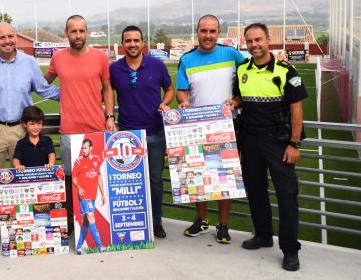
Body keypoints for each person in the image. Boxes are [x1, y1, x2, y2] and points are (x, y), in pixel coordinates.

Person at [0, 22, 59, 246]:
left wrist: (75, 94)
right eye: (2, 38)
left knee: (25, 177)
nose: (7, 41)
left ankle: (25, 222)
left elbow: (44, 88)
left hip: (22, 129)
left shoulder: (28, 62)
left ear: (15, 38)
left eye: (11, 36)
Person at [229, 23, 307, 271]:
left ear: (268, 40)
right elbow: (241, 97)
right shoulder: (242, 69)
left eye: (258, 40)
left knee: (286, 195)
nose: (254, 45)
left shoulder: (286, 70)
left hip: (278, 142)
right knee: (256, 191)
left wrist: (293, 143)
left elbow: (296, 109)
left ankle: (290, 249)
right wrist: (233, 102)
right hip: (250, 140)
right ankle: (263, 235)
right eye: (250, 41)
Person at [176, 14, 245, 244]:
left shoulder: (232, 54)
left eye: (212, 31)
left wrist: (236, 101)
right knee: (199, 177)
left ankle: (223, 225)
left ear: (219, 33)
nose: (208, 35)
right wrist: (183, 101)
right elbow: (181, 89)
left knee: (225, 178)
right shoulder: (186, 59)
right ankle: (202, 219)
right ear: (197, 32)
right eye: (204, 31)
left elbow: (248, 83)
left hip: (227, 126)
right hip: (196, 127)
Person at [44, 15, 116, 232]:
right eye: (73, 31)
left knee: (95, 175)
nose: (77, 35)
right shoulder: (58, 58)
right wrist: (61, 95)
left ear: (87, 32)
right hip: (69, 130)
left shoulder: (100, 57)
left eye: (81, 31)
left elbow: (107, 88)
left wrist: (110, 116)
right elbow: (43, 82)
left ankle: (100, 220)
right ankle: (70, 222)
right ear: (66, 33)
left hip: (96, 128)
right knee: (69, 177)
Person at [109, 25, 174, 239]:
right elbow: (107, 93)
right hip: (127, 136)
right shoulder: (115, 68)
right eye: (128, 41)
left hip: (155, 132)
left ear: (143, 43)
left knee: (155, 179)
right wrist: (109, 117)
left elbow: (170, 89)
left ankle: (156, 221)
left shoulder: (156, 65)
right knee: (129, 182)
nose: (132, 44)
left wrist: (165, 103)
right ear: (122, 44)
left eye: (136, 40)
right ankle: (134, 221)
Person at [72, 139, 106, 254]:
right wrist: (79, 188)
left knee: (86, 222)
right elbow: (74, 177)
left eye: (86, 148)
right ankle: (100, 246)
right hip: (84, 195)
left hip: (93, 195)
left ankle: (78, 247)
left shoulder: (97, 159)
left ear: (91, 148)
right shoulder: (78, 161)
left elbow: (99, 177)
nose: (83, 150)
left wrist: (102, 194)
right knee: (91, 218)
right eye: (82, 148)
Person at [11, 106, 56, 171]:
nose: (36, 127)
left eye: (39, 123)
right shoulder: (21, 143)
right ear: (25, 124)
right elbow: (16, 158)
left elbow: (51, 153)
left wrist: (51, 163)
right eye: (32, 124)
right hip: (27, 177)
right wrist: (18, 165)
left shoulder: (47, 140)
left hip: (45, 176)